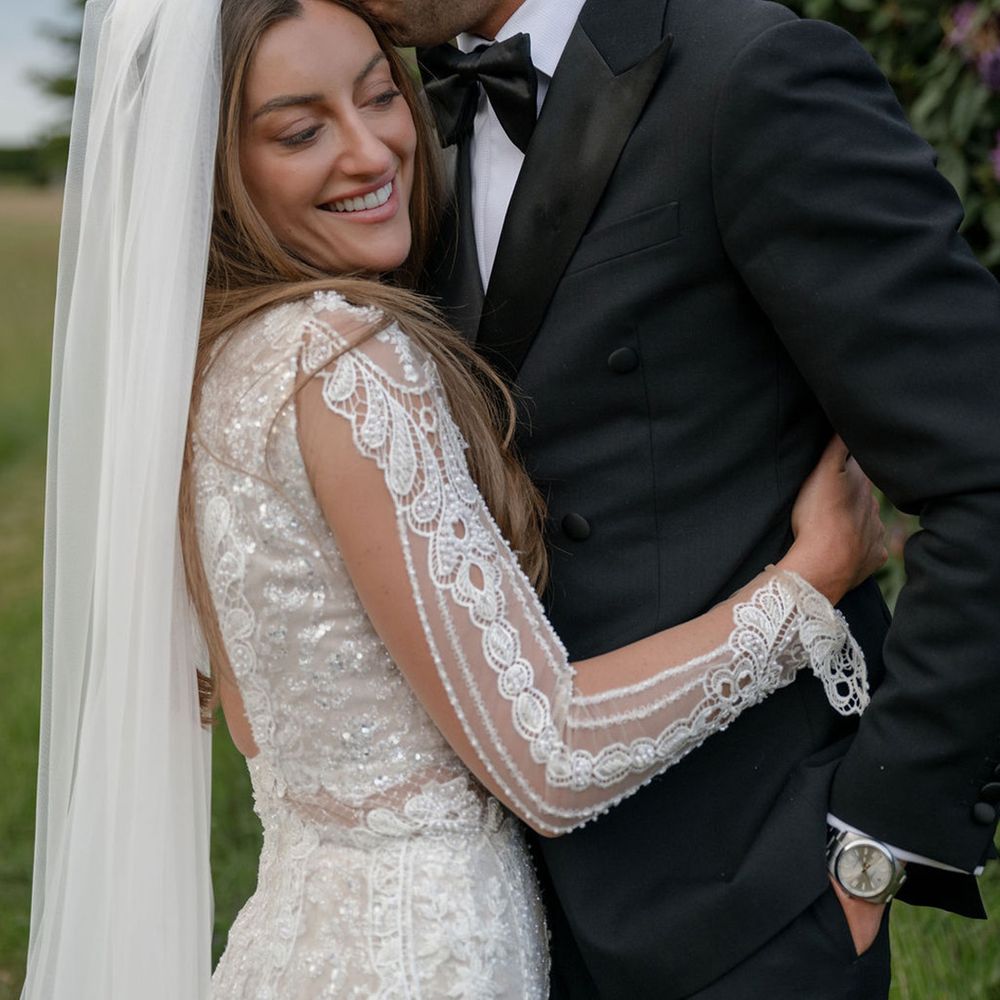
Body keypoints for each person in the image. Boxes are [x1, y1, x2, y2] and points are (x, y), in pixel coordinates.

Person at [20, 0, 885, 997]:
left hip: (302, 935)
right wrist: (803, 584)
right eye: (301, 131)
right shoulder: (347, 363)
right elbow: (549, 756)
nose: (372, 148)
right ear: (211, 173)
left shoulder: (208, 369)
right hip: (424, 954)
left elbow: (257, 722)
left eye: (382, 93)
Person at [353, 0, 1000, 997]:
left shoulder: (752, 75)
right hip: (481, 913)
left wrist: (878, 842)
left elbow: (983, 467)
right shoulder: (385, 120)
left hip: (746, 898)